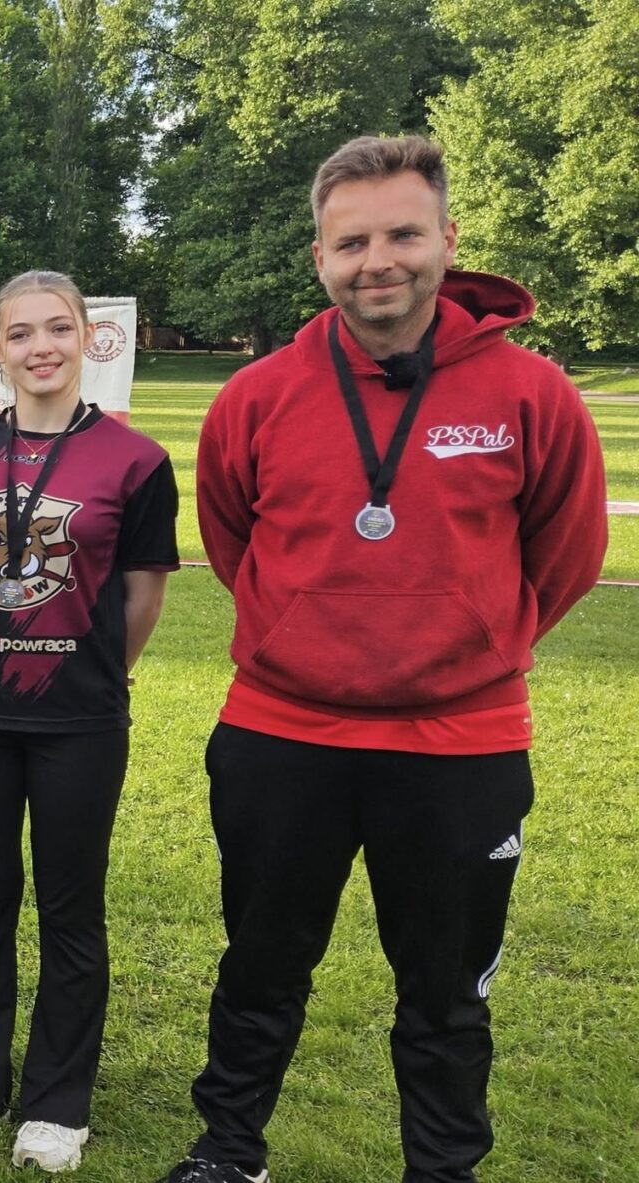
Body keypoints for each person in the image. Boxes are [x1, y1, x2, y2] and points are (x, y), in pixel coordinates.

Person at [161, 136, 605, 1183]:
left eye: (402, 234)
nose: (379, 261)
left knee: (446, 989)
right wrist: (300, 632)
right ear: (319, 256)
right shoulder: (257, 394)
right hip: (282, 732)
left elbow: (568, 553)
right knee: (260, 963)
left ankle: (441, 1169)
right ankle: (229, 1151)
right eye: (352, 242)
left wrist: (475, 640)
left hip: (460, 742)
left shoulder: (531, 393)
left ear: (447, 240)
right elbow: (232, 539)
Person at [0, 270, 177, 1173]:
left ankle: (58, 1098)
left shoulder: (135, 460)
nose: (40, 347)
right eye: (21, 333)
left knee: (69, 907)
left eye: (58, 328)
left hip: (78, 719)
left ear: (86, 336)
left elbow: (142, 596)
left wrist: (93, 673)